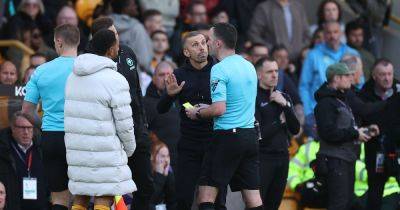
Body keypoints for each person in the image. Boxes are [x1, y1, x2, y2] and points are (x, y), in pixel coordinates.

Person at [186, 23, 263, 210]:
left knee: (205, 195)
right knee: (253, 198)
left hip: (228, 136)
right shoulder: (249, 66)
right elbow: (237, 101)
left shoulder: (219, 69)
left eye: (209, 40)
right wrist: (210, 106)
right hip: (249, 136)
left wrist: (198, 112)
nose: (206, 44)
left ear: (218, 43)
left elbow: (220, 109)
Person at [64, 29, 136, 210]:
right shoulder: (115, 80)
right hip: (105, 152)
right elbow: (125, 124)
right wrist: (130, 148)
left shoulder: (72, 77)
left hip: (77, 151)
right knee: (104, 197)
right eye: (117, 47)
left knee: (80, 196)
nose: (118, 50)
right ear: (111, 50)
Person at [157, 31, 226, 210]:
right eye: (195, 45)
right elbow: (161, 108)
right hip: (189, 145)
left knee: (217, 202)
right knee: (183, 198)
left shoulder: (219, 70)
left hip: (215, 143)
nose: (202, 47)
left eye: (203, 42)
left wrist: (205, 110)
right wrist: (171, 95)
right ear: (186, 52)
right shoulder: (179, 74)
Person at [90, 17, 154, 210]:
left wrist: (142, 123)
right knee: (107, 192)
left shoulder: (127, 53)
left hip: (135, 129)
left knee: (145, 186)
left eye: (117, 33)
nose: (118, 39)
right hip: (108, 135)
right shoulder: (89, 61)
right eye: (113, 35)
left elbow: (137, 91)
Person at [22, 23, 80, 210]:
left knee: (58, 198)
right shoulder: (87, 69)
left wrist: (44, 124)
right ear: (77, 42)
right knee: (81, 198)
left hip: (52, 137)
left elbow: (26, 111)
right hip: (80, 137)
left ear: (59, 42)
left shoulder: (41, 71)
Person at [314, 63, 379, 210]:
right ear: (337, 78)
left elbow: (344, 129)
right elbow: (329, 133)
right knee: (339, 204)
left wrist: (364, 131)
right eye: (347, 75)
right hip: (335, 161)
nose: (351, 78)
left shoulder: (341, 100)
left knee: (348, 203)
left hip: (346, 159)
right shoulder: (325, 103)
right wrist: (355, 133)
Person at [299, 21, 360, 139]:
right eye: (329, 32)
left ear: (341, 33)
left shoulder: (352, 53)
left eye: (336, 32)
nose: (333, 36)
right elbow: (304, 86)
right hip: (317, 112)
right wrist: (307, 113)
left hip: (346, 112)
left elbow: (359, 82)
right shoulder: (313, 55)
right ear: (324, 34)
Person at [254, 57, 300, 210]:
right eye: (269, 72)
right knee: (258, 205)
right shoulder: (254, 98)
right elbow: (258, 135)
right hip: (263, 158)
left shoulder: (284, 97)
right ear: (259, 74)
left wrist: (286, 106)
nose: (274, 75)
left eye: (276, 71)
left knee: (274, 205)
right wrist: (279, 122)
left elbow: (295, 129)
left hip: (282, 157)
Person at [358, 59, 400, 210]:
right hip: (376, 152)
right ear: (374, 76)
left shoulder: (398, 90)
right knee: (374, 195)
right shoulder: (364, 94)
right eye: (382, 74)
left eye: (389, 74)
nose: (387, 78)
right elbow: (362, 121)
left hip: (396, 150)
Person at [0, 111, 47, 210]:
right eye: (22, 128)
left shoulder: (42, 149)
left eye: (29, 128)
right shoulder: (3, 151)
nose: (26, 132)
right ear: (13, 128)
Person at [144, 61, 180, 170]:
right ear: (154, 79)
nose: (165, 78)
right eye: (161, 75)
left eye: (168, 74)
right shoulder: (145, 104)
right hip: (160, 165)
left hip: (185, 161)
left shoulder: (183, 100)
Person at [109, 0, 153, 73]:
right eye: (133, 5)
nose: (136, 7)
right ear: (124, 8)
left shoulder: (103, 24)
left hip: (107, 72)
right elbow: (144, 61)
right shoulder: (137, 28)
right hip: (131, 74)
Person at [149, 133, 177, 210]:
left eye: (167, 156)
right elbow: (150, 201)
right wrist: (159, 175)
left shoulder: (168, 172)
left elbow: (172, 201)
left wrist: (168, 176)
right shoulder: (145, 172)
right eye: (162, 156)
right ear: (152, 156)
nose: (166, 160)